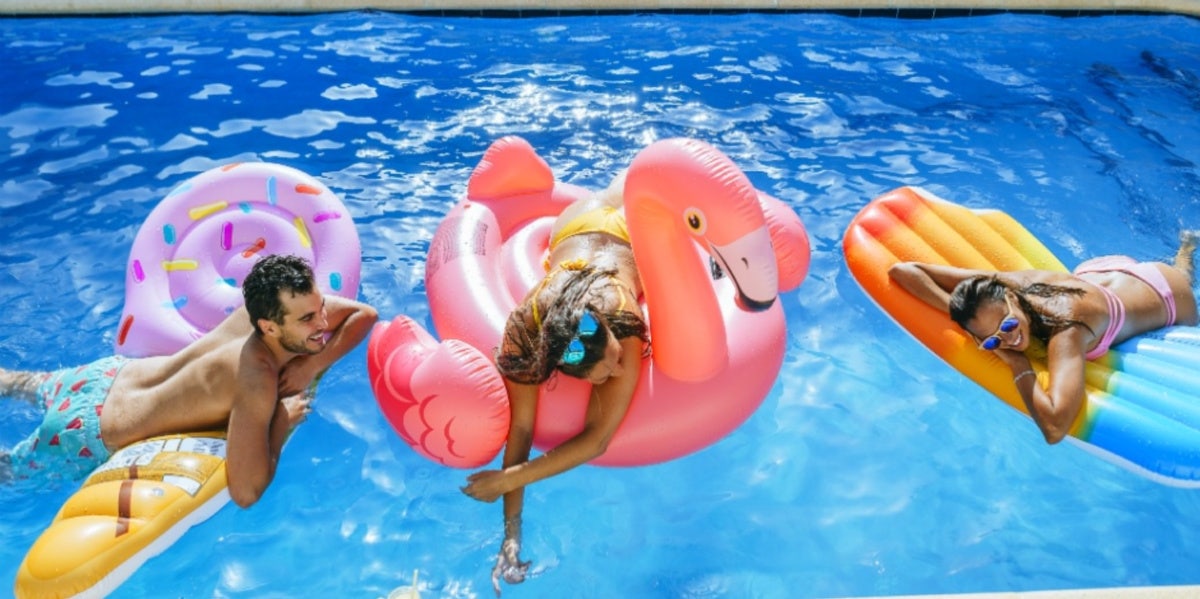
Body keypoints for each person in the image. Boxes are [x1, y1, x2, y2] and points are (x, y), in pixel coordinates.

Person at [0, 254, 378, 507]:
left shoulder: (264, 305)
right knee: (6, 474)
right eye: (308, 320)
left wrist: (312, 365)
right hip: (82, 434)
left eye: (321, 309)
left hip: (103, 377)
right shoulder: (256, 377)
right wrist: (280, 420)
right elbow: (246, 490)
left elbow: (364, 313)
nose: (324, 323)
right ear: (269, 327)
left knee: (14, 382)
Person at [459, 173, 649, 595]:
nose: (620, 373)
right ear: (565, 371)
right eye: (605, 372)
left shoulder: (620, 317)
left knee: (635, 183)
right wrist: (511, 535)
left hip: (623, 235)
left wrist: (505, 480)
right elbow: (521, 430)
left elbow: (597, 439)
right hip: (577, 226)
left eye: (615, 358)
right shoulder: (528, 331)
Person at [888, 232, 1198, 445]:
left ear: (1012, 298)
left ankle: (1187, 249)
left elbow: (1055, 428)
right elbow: (903, 270)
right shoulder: (1004, 287)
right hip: (1096, 273)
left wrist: (1018, 363)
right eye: (993, 341)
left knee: (1184, 275)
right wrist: (970, 326)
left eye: (1007, 325)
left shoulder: (1067, 329)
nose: (1006, 340)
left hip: (1163, 289)